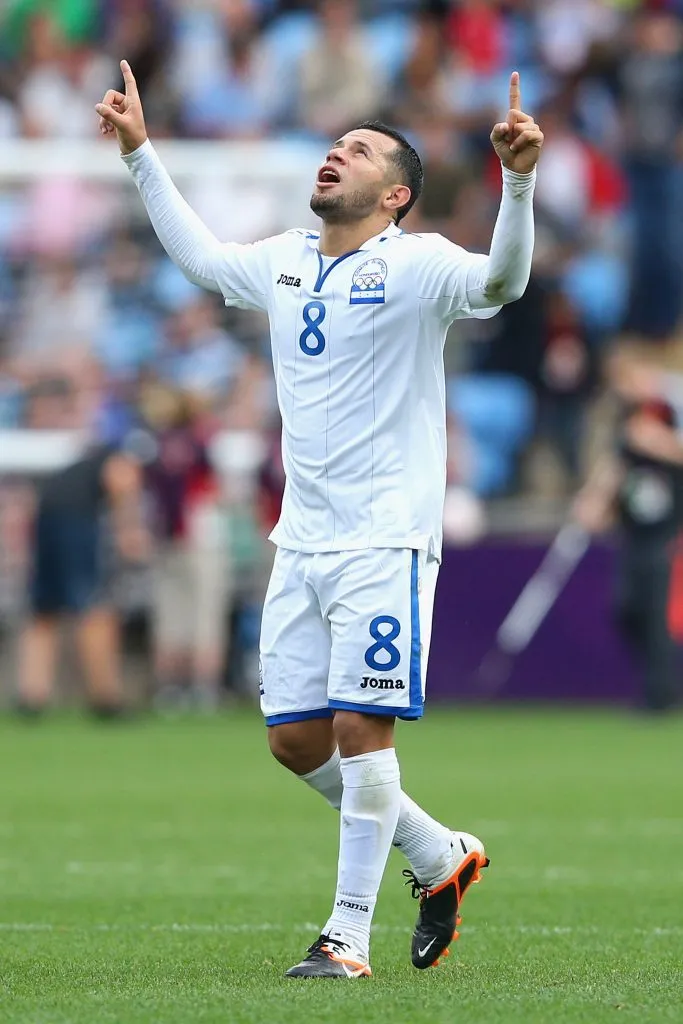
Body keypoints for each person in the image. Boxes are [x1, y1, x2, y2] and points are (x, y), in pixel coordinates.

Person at [96, 60, 542, 978]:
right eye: (336, 144)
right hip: (300, 540)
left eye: (361, 150)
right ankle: (438, 854)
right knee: (293, 741)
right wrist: (141, 153)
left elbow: (502, 283)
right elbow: (203, 260)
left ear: (396, 194)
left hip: (385, 537)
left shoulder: (417, 268)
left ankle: (345, 938)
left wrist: (518, 181)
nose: (337, 154)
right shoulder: (285, 260)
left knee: (358, 731)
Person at [573, 348, 683, 713]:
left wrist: (656, 442)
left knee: (657, 615)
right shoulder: (626, 426)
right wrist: (595, 503)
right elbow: (614, 472)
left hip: (668, 534)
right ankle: (658, 685)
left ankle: (661, 695)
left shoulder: (668, 412)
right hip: (635, 534)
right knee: (628, 609)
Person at [17, 438, 146, 716]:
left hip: (47, 522)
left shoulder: (82, 466)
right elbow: (121, 482)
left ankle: (31, 697)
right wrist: (129, 531)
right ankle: (106, 699)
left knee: (44, 612)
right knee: (94, 609)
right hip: (74, 526)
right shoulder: (120, 458)